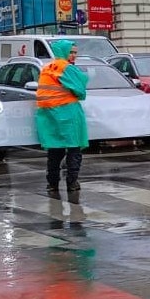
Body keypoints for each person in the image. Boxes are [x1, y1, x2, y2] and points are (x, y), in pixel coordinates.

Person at [36, 39, 89, 196]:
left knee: (55, 151)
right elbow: (80, 89)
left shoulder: (47, 68)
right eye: (71, 52)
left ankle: (52, 184)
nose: (73, 56)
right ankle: (72, 183)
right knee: (74, 148)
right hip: (68, 113)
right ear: (64, 52)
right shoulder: (67, 68)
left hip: (49, 115)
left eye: (75, 53)